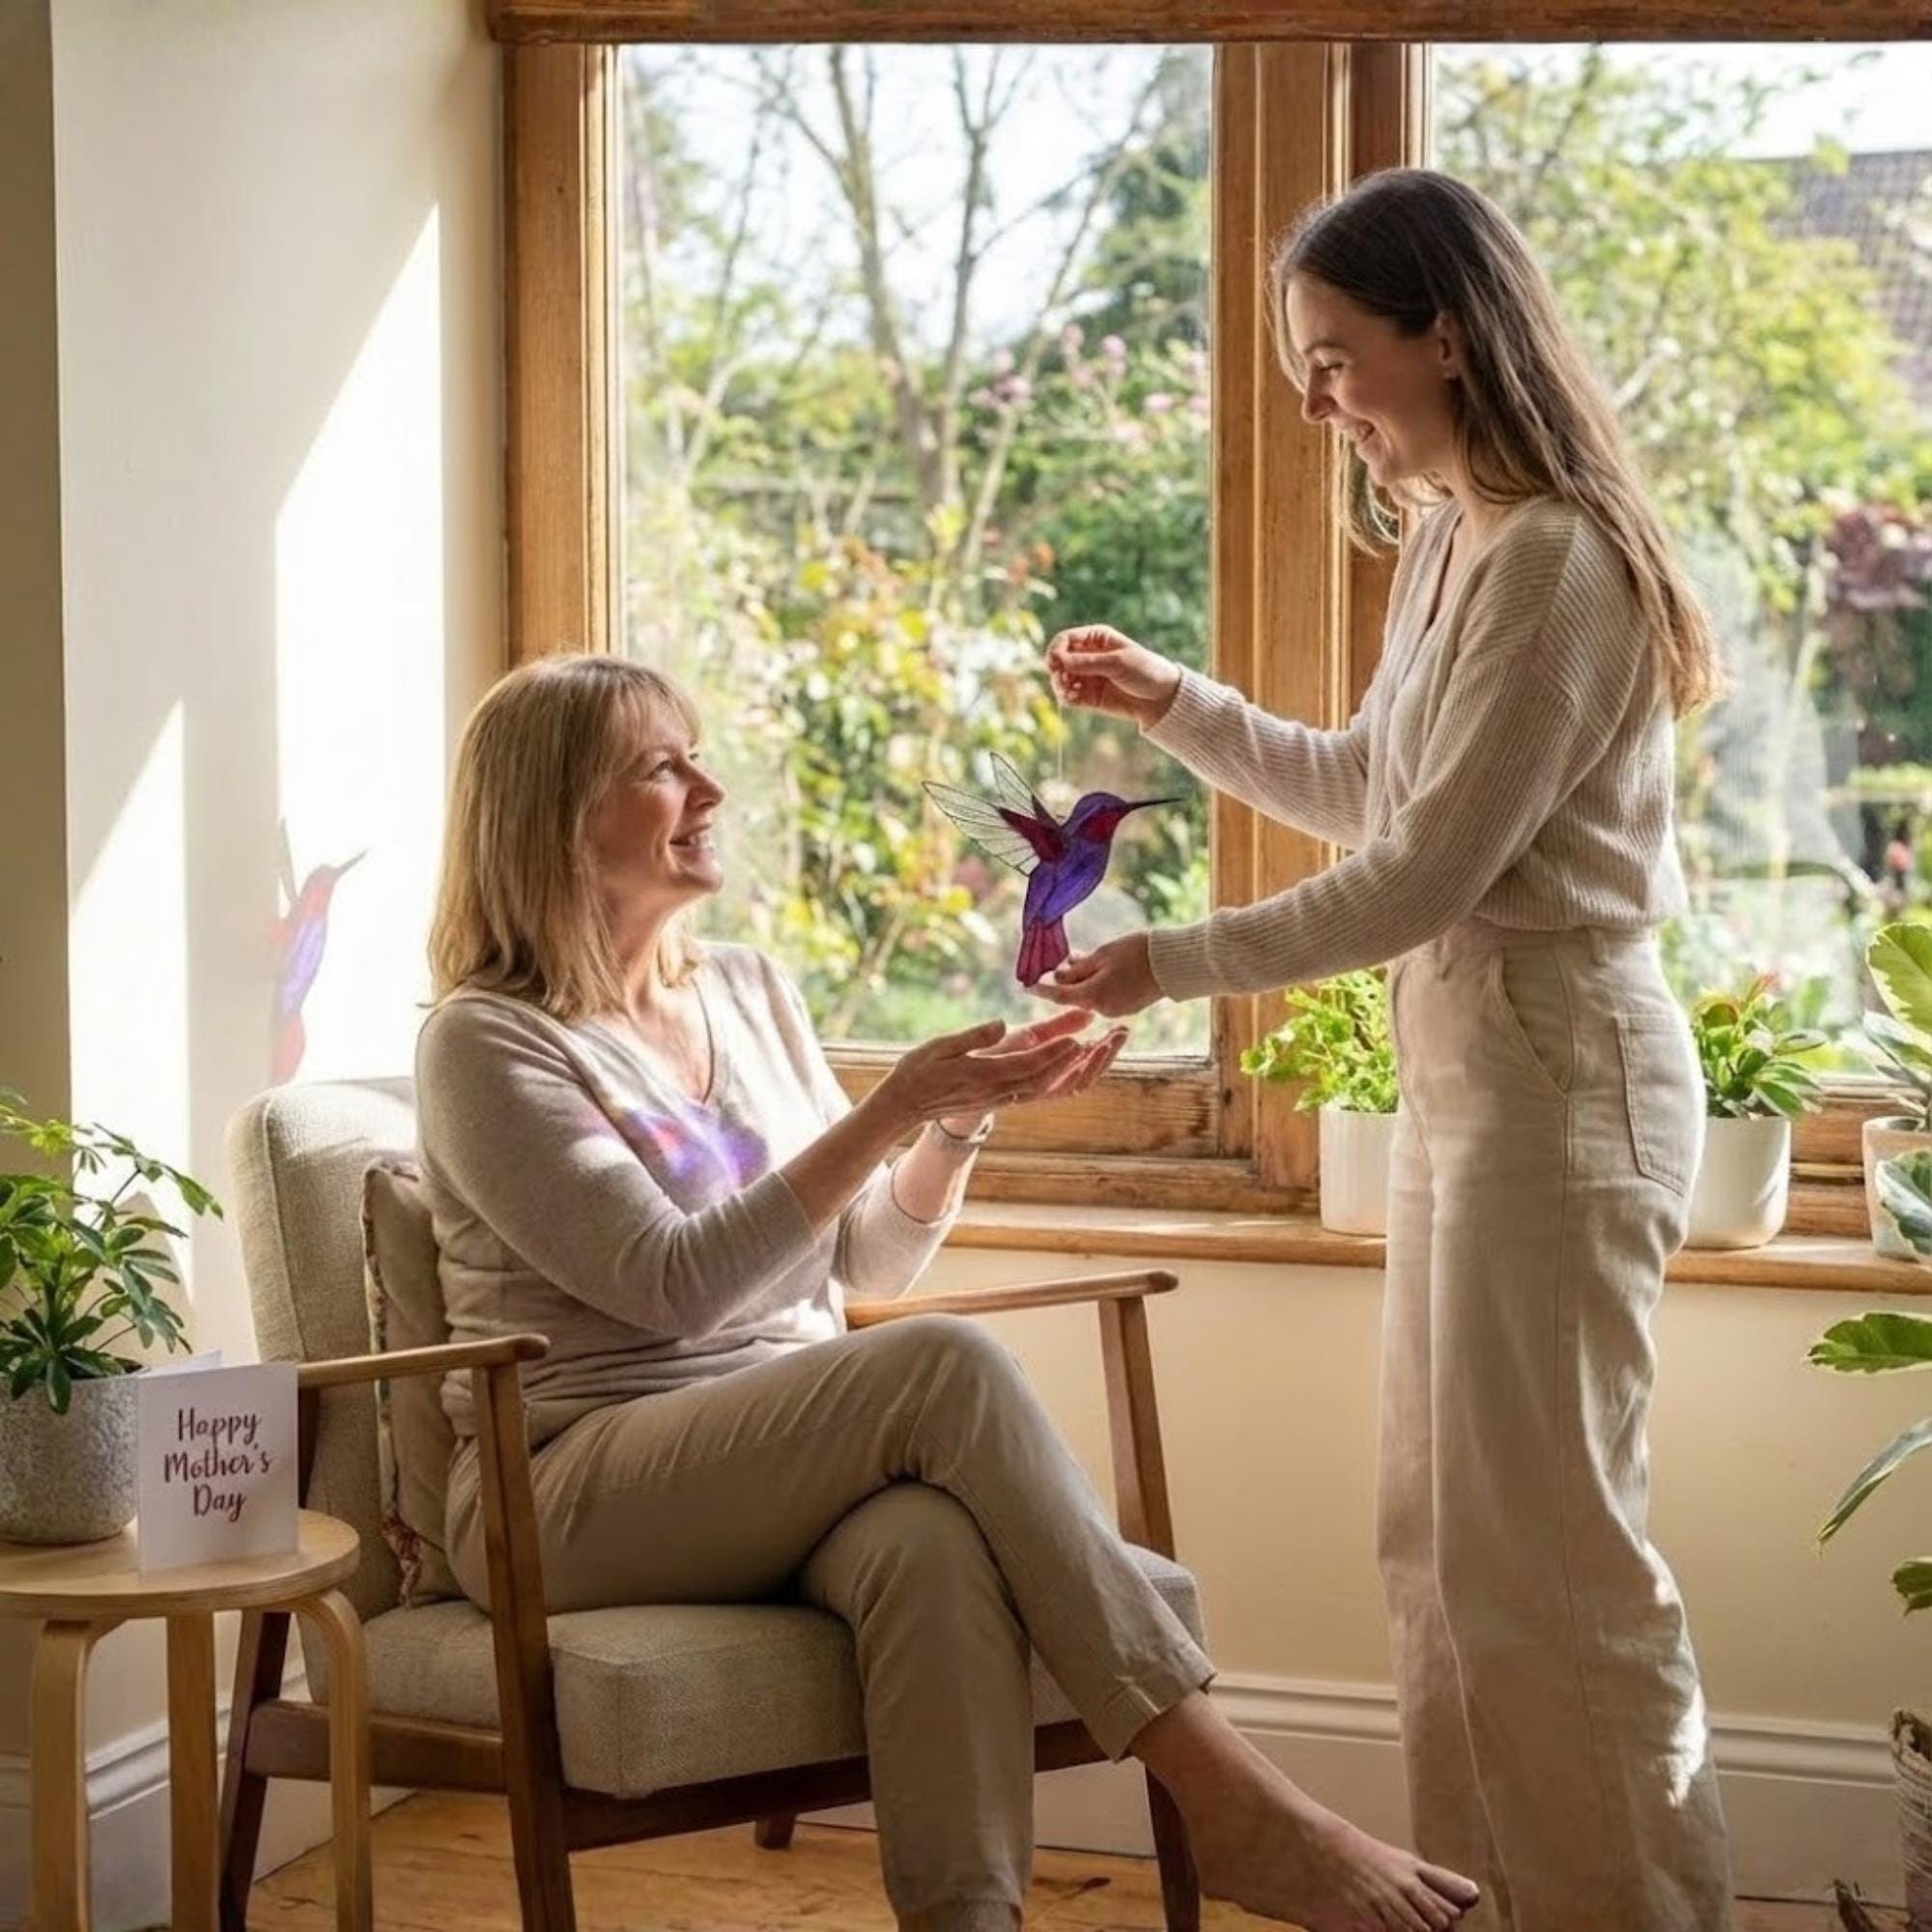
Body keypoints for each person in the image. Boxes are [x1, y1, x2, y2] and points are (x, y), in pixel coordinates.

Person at [415, 653, 1481, 1932]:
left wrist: (960, 1117)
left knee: (928, 1543)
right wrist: (891, 1108)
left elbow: (866, 1261)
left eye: (697, 754)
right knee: (943, 1364)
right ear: (553, 816)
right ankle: (1229, 1796)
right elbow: (675, 1287)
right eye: (661, 766)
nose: (710, 787)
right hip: (567, 1488)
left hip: (770, 1453)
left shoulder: (746, 988)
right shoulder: (485, 1042)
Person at [1040, 167, 1734, 1932]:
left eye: (1335, 355)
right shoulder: (1447, 539)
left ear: (1450, 334)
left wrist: (1168, 965)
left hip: (1562, 1071)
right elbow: (1375, 789)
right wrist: (1179, 706)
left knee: (1555, 1571)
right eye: (1305, 364)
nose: (1316, 399)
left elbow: (1424, 874)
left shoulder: (1560, 562)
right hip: (1468, 1072)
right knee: (1440, 1556)